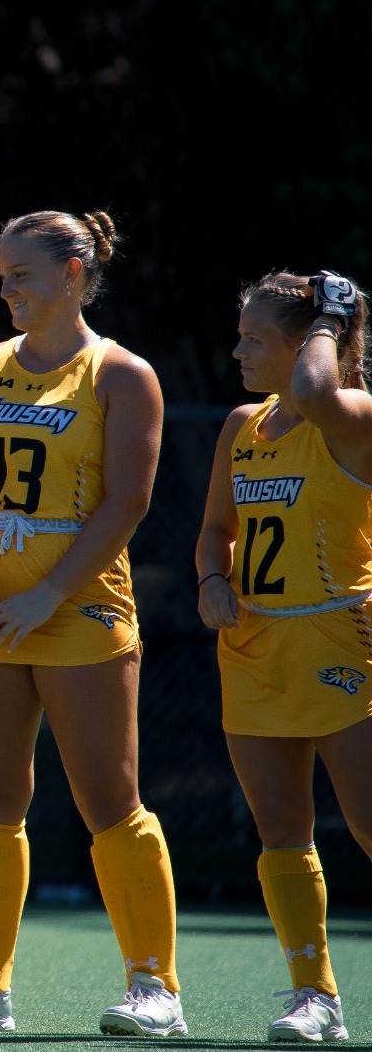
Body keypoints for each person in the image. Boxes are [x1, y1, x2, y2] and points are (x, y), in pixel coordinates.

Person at [0, 211, 181, 1036]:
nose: (5, 290)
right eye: (1, 275)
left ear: (73, 273)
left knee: (110, 798)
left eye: (22, 275)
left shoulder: (121, 373)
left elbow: (127, 501)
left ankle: (156, 986)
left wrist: (49, 594)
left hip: (79, 612)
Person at [197, 270, 372, 1044]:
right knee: (281, 828)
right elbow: (215, 530)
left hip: (339, 643)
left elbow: (316, 394)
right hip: (255, 647)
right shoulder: (242, 424)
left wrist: (333, 320)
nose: (238, 351)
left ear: (310, 346)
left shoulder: (349, 416)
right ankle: (315, 995)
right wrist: (208, 578)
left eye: (254, 338)